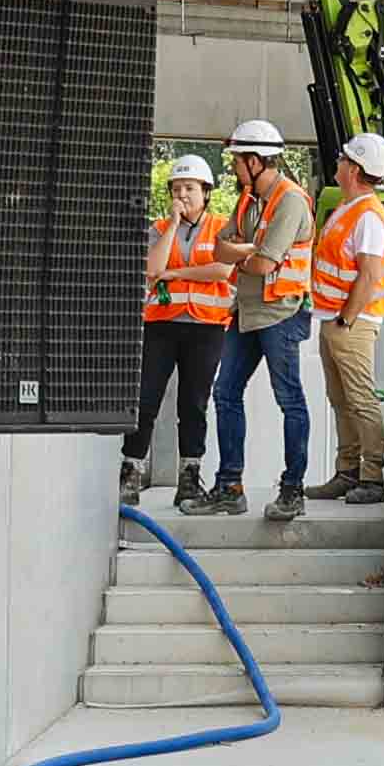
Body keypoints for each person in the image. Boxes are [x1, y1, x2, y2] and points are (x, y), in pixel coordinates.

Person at [206, 117, 315, 519]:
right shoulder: (248, 199)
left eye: (237, 160)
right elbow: (219, 249)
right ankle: (229, 487)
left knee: (290, 400)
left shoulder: (290, 201)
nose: (234, 167)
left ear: (255, 161)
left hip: (281, 314)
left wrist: (244, 252)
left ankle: (293, 490)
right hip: (247, 311)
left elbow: (265, 262)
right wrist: (248, 251)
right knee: (225, 393)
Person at [303, 129, 384, 511]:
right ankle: (346, 471)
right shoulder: (350, 208)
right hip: (335, 318)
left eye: (344, 158)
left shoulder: (369, 216)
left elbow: (368, 274)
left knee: (360, 399)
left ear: (355, 169)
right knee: (341, 399)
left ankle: (372, 477)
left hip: (352, 322)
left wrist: (346, 320)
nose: (339, 162)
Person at [125, 150, 231, 505]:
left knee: (194, 404)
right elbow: (152, 269)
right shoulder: (158, 229)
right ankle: (131, 469)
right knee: (145, 399)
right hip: (161, 325)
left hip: (206, 327)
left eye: (190, 188)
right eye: (177, 188)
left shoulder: (221, 227)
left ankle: (189, 475)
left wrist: (176, 273)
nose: (182, 195)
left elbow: (222, 270)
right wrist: (173, 224)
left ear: (206, 191)